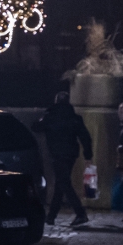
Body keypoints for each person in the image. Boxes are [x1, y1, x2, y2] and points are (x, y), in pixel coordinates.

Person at [34, 90, 93, 227]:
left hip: (57, 154)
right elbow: (85, 137)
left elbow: (35, 127)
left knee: (63, 183)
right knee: (61, 183)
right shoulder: (75, 118)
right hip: (70, 155)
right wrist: (88, 155)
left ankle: (80, 213)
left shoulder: (50, 116)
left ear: (56, 101)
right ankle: (51, 216)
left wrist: (43, 118)